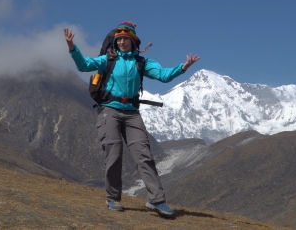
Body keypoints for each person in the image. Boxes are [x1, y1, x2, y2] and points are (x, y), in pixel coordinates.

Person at [64, 21, 200, 217]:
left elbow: (163, 76)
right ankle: (113, 198)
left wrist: (183, 67)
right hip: (109, 110)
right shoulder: (108, 60)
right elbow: (84, 65)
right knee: (113, 154)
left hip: (132, 113)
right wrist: (72, 47)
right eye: (119, 40)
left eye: (125, 39)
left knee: (144, 155)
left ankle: (157, 200)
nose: (121, 43)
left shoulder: (142, 63)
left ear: (133, 41)